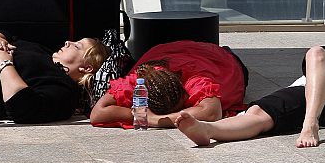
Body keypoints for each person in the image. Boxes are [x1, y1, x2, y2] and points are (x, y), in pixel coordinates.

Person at [175, 46, 325, 148]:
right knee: (260, 114)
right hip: (307, 92)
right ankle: (209, 130)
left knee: (316, 53)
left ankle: (310, 122)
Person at [89, 40, 247, 128]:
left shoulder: (196, 80)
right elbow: (97, 114)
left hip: (219, 58)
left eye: (184, 104)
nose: (183, 108)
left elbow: (212, 112)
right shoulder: (138, 82)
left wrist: (154, 119)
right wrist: (139, 115)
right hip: (172, 49)